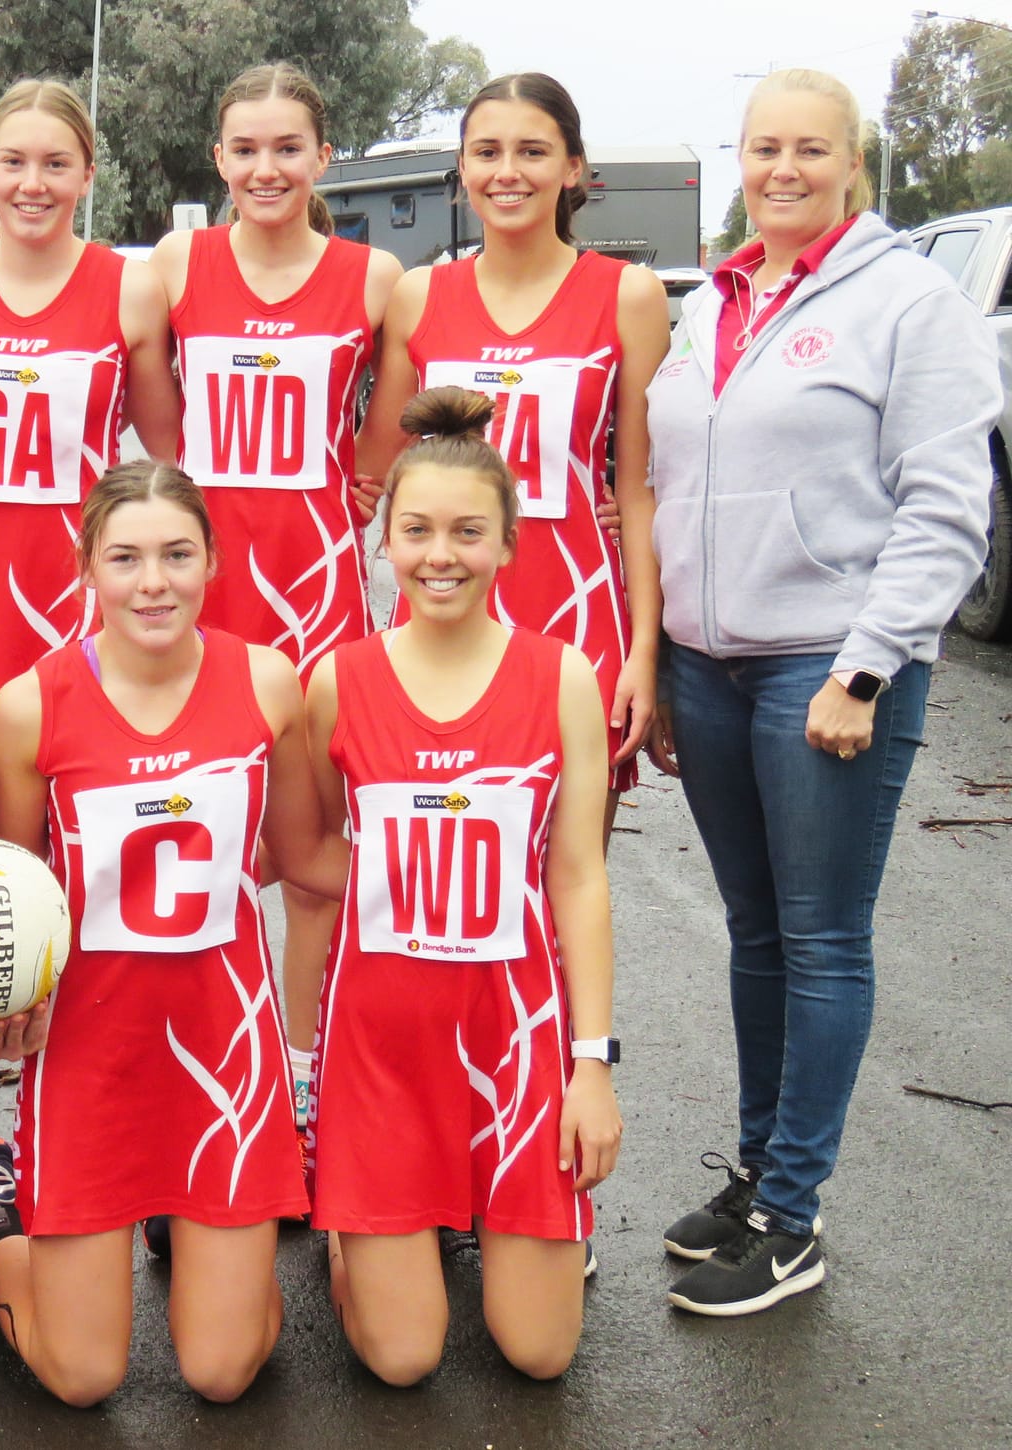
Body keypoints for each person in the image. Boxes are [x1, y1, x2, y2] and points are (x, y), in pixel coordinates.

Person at [647, 69, 997, 1318]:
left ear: (854, 164)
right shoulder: (715, 303)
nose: (781, 168)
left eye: (808, 149)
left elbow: (948, 509)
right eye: (761, 148)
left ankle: (793, 1216)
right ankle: (754, 1173)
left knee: (820, 938)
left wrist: (864, 663)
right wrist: (667, 653)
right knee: (753, 936)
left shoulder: (909, 302)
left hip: (826, 666)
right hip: (708, 664)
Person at [0, 458, 342, 1406]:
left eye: (178, 554)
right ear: (86, 564)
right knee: (84, 1377)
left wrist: (506, 877)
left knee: (220, 1373)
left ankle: (212, 1250)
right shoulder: (27, 706)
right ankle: (0, 1235)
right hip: (91, 1049)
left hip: (226, 1043)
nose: (153, 581)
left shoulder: (267, 682)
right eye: (125, 557)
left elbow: (302, 856)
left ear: (213, 560)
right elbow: (9, 891)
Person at [303, 386, 621, 1383]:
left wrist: (590, 1066)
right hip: (380, 1050)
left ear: (507, 544)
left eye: (466, 532)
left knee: (537, 1353)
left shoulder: (561, 676)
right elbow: (307, 858)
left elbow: (575, 879)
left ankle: (470, 1208)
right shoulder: (336, 678)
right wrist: (307, 1060)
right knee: (401, 1361)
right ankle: (353, 1223)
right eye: (416, 530)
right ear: (383, 540)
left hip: (512, 1037)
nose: (439, 554)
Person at [150, 59, 404, 1178]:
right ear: (217, 158)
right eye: (243, 148)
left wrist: (344, 496)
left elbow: (380, 447)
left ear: (321, 158)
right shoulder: (173, 263)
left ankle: (298, 1084)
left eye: (285, 148)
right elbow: (159, 437)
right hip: (197, 596)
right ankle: (179, 1090)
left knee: (308, 867)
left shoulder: (374, 276)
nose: (264, 167)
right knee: (183, 852)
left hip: (315, 598)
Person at [356, 72, 669, 822]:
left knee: (570, 884)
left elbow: (641, 489)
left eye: (532, 151)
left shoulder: (628, 295)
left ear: (572, 170)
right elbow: (372, 469)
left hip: (579, 612)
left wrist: (645, 654)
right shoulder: (419, 295)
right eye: (486, 151)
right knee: (435, 855)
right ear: (461, 172)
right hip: (439, 611)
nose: (507, 172)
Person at [0, 78, 181, 692]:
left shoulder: (130, 289)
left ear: (87, 175)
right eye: (13, 162)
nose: (32, 185)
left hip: (78, 576)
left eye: (56, 165)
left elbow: (172, 450)